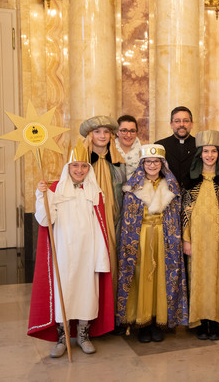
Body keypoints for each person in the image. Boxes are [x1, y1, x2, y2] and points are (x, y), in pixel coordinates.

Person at [27, 139, 114, 358]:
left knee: (87, 294)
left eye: (84, 166)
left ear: (89, 169)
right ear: (68, 167)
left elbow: (99, 226)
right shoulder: (55, 189)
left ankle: (83, 335)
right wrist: (42, 196)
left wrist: (100, 258)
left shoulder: (95, 192)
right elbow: (46, 220)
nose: (79, 170)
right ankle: (62, 338)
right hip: (63, 255)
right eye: (75, 165)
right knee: (63, 294)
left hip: (88, 254)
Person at [116, 144, 188, 343]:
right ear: (142, 164)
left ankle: (159, 321)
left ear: (162, 164)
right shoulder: (133, 187)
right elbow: (128, 221)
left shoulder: (171, 187)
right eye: (148, 161)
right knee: (142, 279)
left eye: (156, 161)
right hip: (141, 239)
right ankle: (142, 322)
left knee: (162, 279)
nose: (152, 165)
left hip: (165, 239)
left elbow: (175, 218)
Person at [182, 130, 219, 341]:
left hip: (217, 242)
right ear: (200, 154)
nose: (210, 155)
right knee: (198, 279)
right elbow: (184, 212)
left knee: (217, 280)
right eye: (206, 151)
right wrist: (186, 240)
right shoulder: (190, 181)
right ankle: (200, 321)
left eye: (214, 151)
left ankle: (214, 322)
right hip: (196, 240)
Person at [79, 116, 126, 312]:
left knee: (110, 258)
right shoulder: (79, 161)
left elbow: (123, 189)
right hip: (87, 219)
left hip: (111, 218)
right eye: (97, 132)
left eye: (106, 132)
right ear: (90, 135)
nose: (102, 135)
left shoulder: (117, 161)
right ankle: (87, 313)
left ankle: (110, 312)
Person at [155, 106, 196, 188]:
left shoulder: (199, 145)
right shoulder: (160, 146)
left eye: (186, 121)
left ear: (191, 124)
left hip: (194, 196)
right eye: (177, 121)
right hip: (167, 195)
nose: (182, 124)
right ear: (171, 124)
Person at [115, 114, 143, 179]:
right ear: (117, 132)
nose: (128, 135)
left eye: (132, 131)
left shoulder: (144, 152)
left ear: (136, 132)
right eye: (124, 131)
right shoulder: (109, 150)